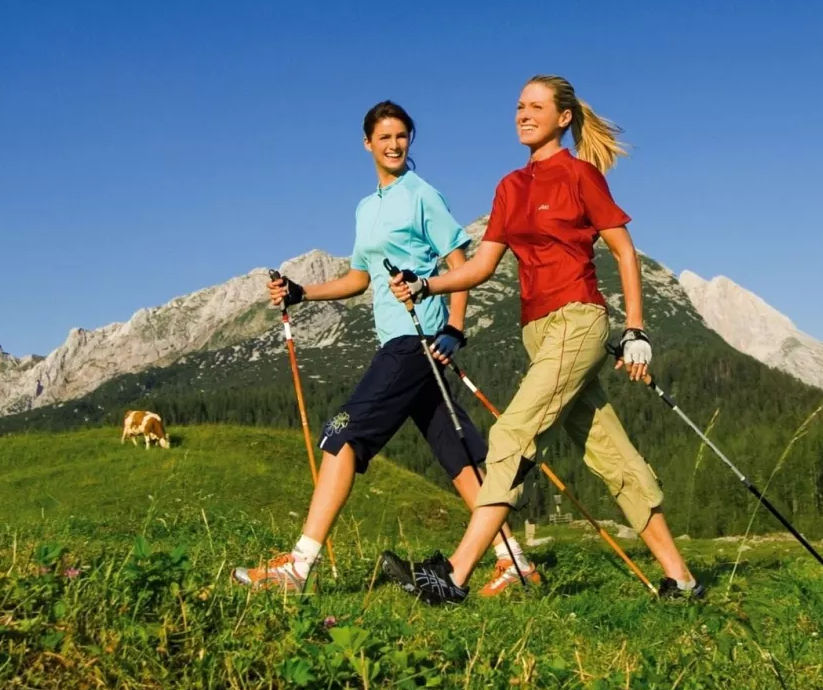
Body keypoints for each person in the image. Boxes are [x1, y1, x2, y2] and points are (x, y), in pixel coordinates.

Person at [379, 76, 704, 603]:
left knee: (510, 435)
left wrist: (635, 328)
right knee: (610, 453)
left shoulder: (580, 176)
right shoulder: (510, 186)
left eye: (536, 107)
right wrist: (425, 283)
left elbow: (624, 251)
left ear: (564, 118)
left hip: (579, 321)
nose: (523, 115)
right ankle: (683, 580)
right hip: (537, 332)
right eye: (519, 106)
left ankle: (453, 577)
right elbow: (482, 266)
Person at [233, 100, 536, 594]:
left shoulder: (421, 195)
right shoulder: (366, 207)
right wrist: (302, 292)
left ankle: (298, 567)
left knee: (340, 434)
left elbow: (459, 260)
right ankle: (513, 560)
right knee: (456, 454)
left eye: (402, 136)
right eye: (385, 137)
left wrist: (454, 329)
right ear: (367, 143)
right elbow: (360, 278)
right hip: (402, 342)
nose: (395, 145)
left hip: (416, 340)